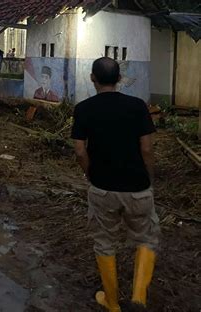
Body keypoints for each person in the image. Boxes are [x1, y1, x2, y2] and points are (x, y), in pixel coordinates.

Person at [71, 57, 160, 312]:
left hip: (103, 189)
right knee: (146, 239)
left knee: (105, 242)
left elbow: (79, 150)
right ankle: (139, 298)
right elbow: (147, 148)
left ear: (92, 78)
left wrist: (90, 175)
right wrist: (149, 177)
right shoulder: (137, 106)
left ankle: (112, 303)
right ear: (119, 78)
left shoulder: (84, 108)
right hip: (138, 188)